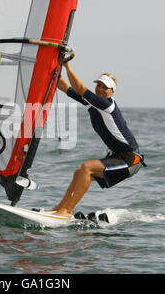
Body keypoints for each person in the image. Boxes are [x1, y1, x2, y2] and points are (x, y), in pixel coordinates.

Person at [53, 62, 145, 218]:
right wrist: (53, 72)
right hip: (116, 157)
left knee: (86, 167)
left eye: (105, 87)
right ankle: (59, 209)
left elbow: (81, 89)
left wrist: (67, 66)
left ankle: (67, 211)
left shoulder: (106, 105)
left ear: (112, 91)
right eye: (99, 86)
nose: (101, 90)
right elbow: (68, 89)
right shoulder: (94, 105)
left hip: (130, 160)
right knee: (79, 173)